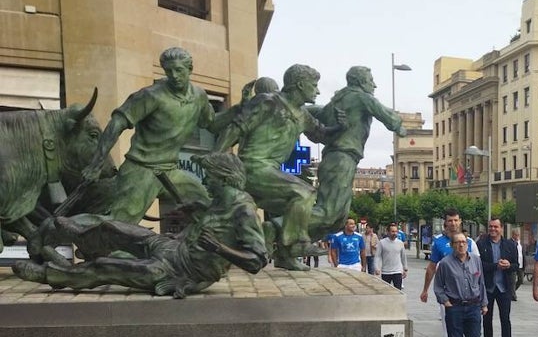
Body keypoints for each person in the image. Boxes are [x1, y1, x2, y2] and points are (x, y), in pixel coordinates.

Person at [15, 152, 267, 298]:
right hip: (172, 248)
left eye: (209, 177)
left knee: (106, 267)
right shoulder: (220, 200)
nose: (205, 182)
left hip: (185, 271)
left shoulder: (243, 210)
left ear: (224, 178)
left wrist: (219, 249)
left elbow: (256, 261)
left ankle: (51, 275)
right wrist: (197, 211)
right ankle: (81, 236)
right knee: (112, 228)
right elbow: (212, 224)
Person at [213, 63, 340, 269]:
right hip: (253, 166)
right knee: (305, 193)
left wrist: (341, 127)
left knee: (299, 209)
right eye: (314, 85)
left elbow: (321, 134)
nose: (317, 90)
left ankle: (284, 255)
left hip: (270, 172)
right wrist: (217, 154)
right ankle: (298, 245)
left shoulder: (303, 115)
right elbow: (237, 127)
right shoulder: (268, 102)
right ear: (300, 85)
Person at [74, 47, 217, 223]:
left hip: (170, 170)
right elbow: (116, 124)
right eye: (168, 71)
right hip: (141, 168)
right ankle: (63, 229)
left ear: (190, 69)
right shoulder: (151, 96)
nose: (174, 76)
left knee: (207, 208)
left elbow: (211, 123)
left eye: (179, 70)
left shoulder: (199, 96)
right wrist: (96, 165)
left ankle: (197, 247)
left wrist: (242, 111)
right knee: (119, 223)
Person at [308, 66, 407, 236]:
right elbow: (387, 117)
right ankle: (277, 228)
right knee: (328, 214)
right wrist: (401, 126)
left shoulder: (337, 102)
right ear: (361, 82)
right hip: (342, 159)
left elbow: (315, 112)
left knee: (339, 218)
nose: (374, 85)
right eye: (371, 81)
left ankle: (294, 241)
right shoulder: (362, 97)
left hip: (335, 160)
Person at [420, 208, 477, 337]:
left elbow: (476, 267)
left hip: (468, 294)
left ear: (460, 222)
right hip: (448, 293)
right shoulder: (438, 242)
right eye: (450, 220)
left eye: (456, 220)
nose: (453, 223)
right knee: (450, 327)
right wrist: (425, 290)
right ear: (445, 222)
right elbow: (432, 267)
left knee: (471, 333)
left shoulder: (470, 242)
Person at [433, 233, 487, 337]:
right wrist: (446, 302)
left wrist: (484, 303)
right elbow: (438, 286)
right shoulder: (445, 263)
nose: (461, 245)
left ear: (468, 244)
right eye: (458, 242)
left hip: (473, 306)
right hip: (455, 306)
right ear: (452, 245)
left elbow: (481, 282)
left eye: (464, 242)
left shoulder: (476, 261)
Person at [476, 216, 519, 337]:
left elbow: (516, 265)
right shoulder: (481, 244)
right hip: (488, 287)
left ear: (501, 228)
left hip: (504, 287)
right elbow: (479, 264)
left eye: (496, 227)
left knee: (505, 318)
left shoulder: (509, 245)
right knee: (487, 318)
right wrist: (496, 266)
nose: (493, 229)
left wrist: (508, 265)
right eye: (491, 227)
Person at [377, 222, 408, 290]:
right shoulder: (382, 242)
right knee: (385, 292)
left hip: (397, 271)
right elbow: (377, 256)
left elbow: (403, 256)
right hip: (386, 271)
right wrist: (377, 267)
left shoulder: (400, 243)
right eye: (392, 231)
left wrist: (405, 268)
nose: (395, 233)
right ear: (388, 232)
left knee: (398, 291)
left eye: (396, 231)